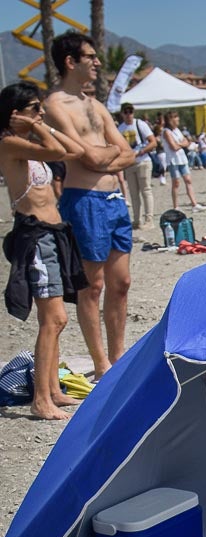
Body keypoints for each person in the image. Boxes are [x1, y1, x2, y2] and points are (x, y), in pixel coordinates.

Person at [44, 32, 136, 379]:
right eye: (91, 57)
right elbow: (92, 156)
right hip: (84, 200)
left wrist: (105, 157)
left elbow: (123, 153)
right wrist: (106, 156)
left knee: (121, 283)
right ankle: (101, 364)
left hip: (113, 200)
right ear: (71, 62)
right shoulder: (56, 105)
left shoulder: (96, 106)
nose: (98, 62)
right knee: (92, 286)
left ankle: (118, 355)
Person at [0, 81, 86, 420]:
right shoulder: (9, 144)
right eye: (35, 107)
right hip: (36, 236)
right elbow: (58, 153)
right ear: (15, 114)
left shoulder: (27, 141)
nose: (41, 113)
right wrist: (35, 125)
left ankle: (51, 389)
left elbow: (75, 151)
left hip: (52, 234)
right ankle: (40, 399)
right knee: (54, 318)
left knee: (54, 318)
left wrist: (40, 122)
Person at [116, 103, 155, 230]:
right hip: (129, 164)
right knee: (133, 193)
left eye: (130, 112)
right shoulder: (120, 128)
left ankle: (149, 219)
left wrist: (141, 152)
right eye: (126, 112)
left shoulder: (140, 124)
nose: (129, 115)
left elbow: (153, 142)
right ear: (122, 114)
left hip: (143, 161)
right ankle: (137, 219)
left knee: (146, 190)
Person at [160, 111, 205, 212]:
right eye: (176, 118)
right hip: (173, 159)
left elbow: (186, 142)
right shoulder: (166, 131)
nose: (178, 120)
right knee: (176, 182)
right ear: (171, 120)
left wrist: (181, 143)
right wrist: (181, 144)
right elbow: (174, 146)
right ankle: (176, 206)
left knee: (188, 180)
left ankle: (194, 204)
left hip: (182, 158)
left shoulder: (177, 130)